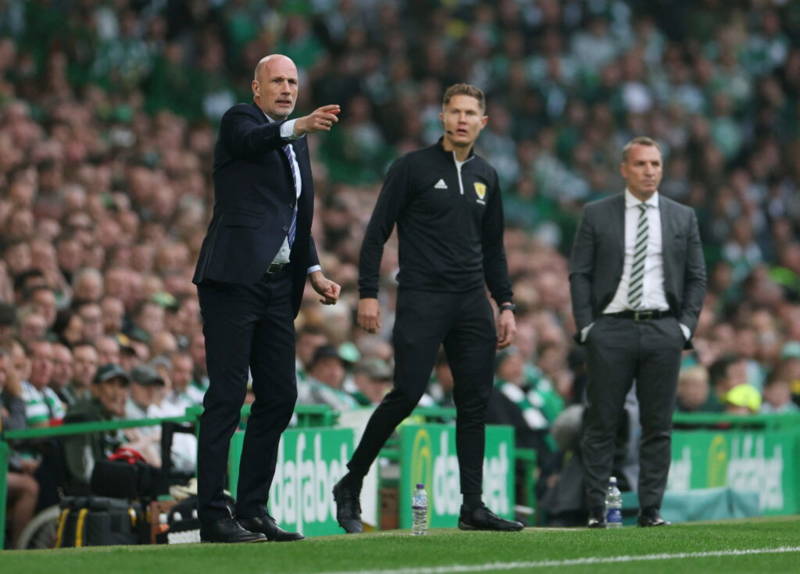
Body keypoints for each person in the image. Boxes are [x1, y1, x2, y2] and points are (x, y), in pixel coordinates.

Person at [333, 83, 523, 533]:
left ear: (483, 122)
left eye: (470, 113)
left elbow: (493, 249)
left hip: (472, 301)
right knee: (407, 393)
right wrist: (367, 292)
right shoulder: (411, 167)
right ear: (442, 117)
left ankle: (472, 506)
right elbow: (376, 232)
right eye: (454, 111)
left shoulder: (487, 176)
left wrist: (506, 303)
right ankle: (351, 481)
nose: (462, 119)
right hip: (422, 296)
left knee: (474, 402)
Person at [192, 54, 342, 544]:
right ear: (256, 88)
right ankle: (212, 515)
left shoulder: (296, 141)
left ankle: (253, 510)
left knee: (279, 395)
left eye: (293, 81)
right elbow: (253, 141)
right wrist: (298, 126)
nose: (286, 88)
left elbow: (292, 216)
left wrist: (314, 270)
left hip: (280, 285)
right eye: (276, 81)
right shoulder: (240, 120)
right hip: (234, 280)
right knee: (227, 396)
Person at [569, 136, 706, 528]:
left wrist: (684, 328)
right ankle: (597, 511)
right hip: (610, 329)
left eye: (655, 164)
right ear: (624, 169)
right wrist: (587, 327)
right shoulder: (596, 213)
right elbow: (580, 273)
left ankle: (650, 510)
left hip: (663, 329)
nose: (649, 171)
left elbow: (697, 276)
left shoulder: (683, 216)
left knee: (658, 426)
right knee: (601, 423)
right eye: (641, 164)